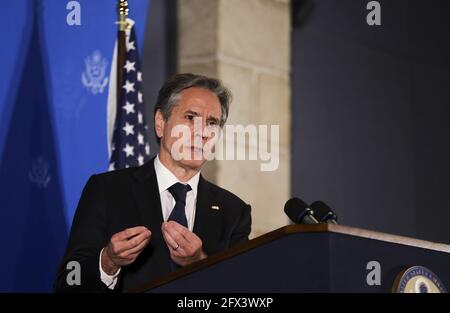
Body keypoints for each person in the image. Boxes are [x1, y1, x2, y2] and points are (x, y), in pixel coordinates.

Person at [54, 73, 251, 292]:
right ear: (160, 122)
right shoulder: (107, 190)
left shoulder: (234, 212)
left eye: (212, 123)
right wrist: (107, 261)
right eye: (190, 117)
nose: (202, 132)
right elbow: (68, 282)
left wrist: (200, 263)